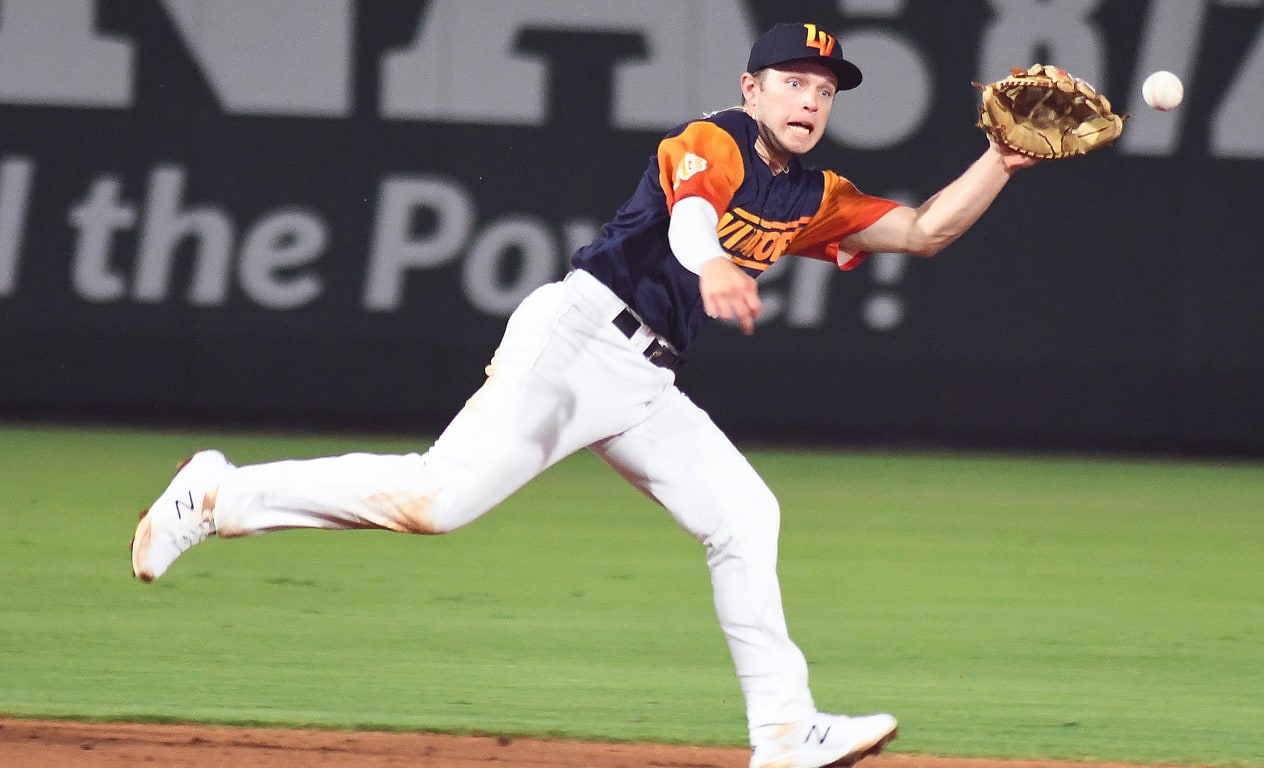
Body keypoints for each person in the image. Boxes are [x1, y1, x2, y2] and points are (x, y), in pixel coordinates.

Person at [130, 22, 1036, 768]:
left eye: (825, 89)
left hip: (645, 380)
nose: (810, 99)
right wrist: (716, 261)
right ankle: (220, 493)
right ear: (752, 87)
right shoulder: (712, 138)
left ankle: (786, 731)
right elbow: (688, 216)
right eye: (793, 81)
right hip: (577, 338)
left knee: (744, 516)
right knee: (435, 502)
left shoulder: (812, 191)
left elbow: (919, 232)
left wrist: (998, 159)